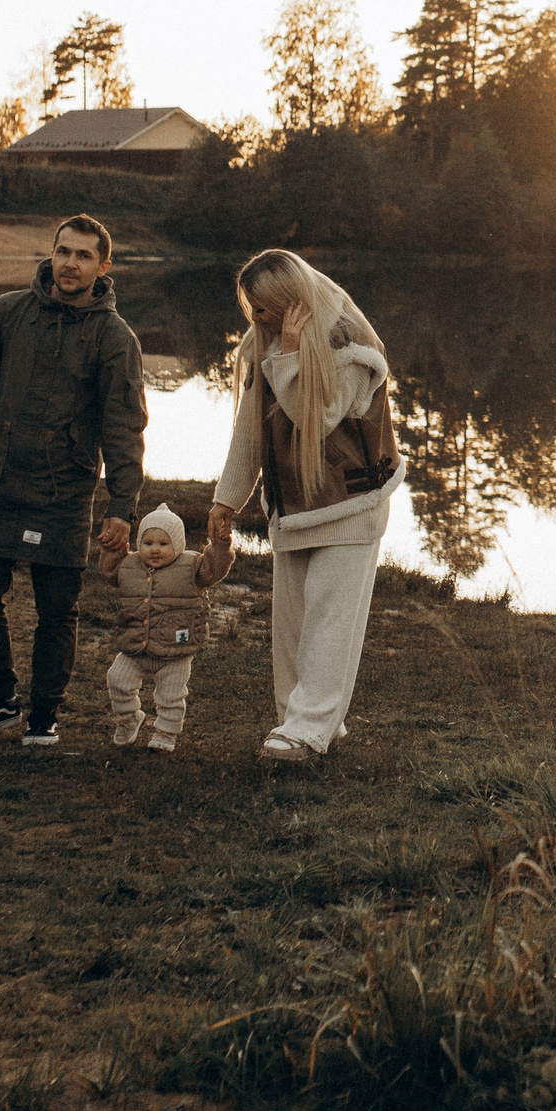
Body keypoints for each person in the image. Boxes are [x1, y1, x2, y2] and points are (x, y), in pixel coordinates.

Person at [0, 214, 147, 747]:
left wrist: (122, 505)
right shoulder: (7, 311)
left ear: (104, 266)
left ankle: (44, 714)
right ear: (51, 253)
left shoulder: (115, 339)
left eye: (84, 256)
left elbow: (124, 426)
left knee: (56, 610)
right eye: (63, 252)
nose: (70, 264)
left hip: (62, 494)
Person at [204, 249, 403, 762]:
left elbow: (318, 419)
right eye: (252, 309)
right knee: (291, 625)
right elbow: (250, 430)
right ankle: (304, 721)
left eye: (265, 310)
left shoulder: (354, 350)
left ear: (293, 303)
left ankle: (309, 729)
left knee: (331, 620)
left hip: (351, 503)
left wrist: (290, 357)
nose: (256, 319)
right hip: (293, 506)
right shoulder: (263, 344)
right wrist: (228, 498)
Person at [103, 503, 229, 751]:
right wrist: (111, 549)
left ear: (178, 544)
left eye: (163, 543)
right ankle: (130, 719)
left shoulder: (192, 565)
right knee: (117, 679)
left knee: (171, 695)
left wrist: (220, 547)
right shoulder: (129, 565)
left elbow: (215, 570)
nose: (155, 550)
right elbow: (109, 573)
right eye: (148, 543)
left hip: (176, 647)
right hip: (135, 644)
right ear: (139, 543)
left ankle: (165, 734)